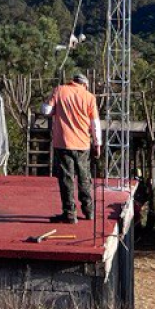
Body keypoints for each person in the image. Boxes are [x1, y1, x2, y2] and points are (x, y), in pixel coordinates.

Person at [40, 73, 101, 223]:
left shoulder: (60, 90)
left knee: (66, 178)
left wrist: (54, 109)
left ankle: (69, 214)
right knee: (84, 178)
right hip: (83, 144)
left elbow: (46, 111)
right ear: (84, 85)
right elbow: (95, 123)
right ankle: (89, 211)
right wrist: (97, 143)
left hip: (63, 142)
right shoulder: (89, 97)